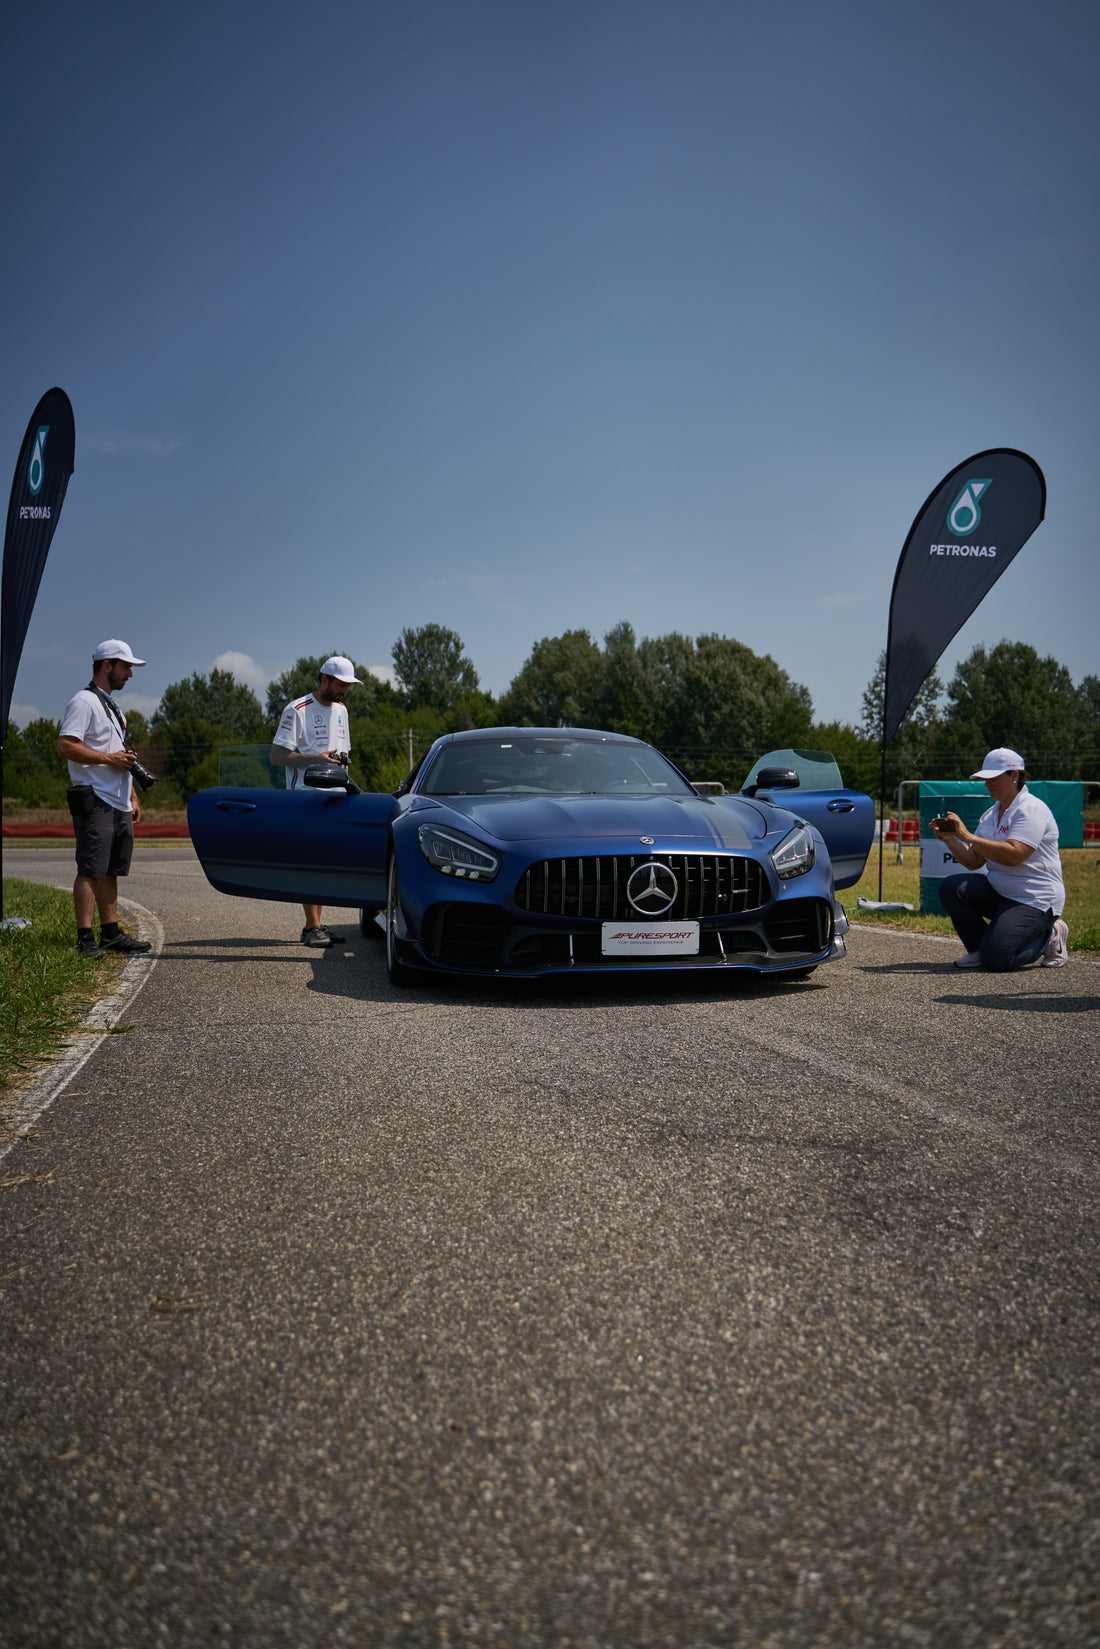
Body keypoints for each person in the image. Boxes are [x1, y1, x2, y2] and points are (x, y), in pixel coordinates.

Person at [56, 640, 154, 960]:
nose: (130, 674)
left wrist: (133, 795)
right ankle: (85, 939)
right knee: (90, 869)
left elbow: (121, 756)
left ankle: (110, 934)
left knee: (111, 869)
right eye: (126, 667)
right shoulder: (83, 701)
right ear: (107, 664)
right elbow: (66, 746)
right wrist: (107, 760)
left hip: (118, 800)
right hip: (94, 797)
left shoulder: (113, 706)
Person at [931, 747, 1068, 972]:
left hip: (1034, 900)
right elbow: (975, 861)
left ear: (1014, 775)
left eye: (993, 778)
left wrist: (967, 836)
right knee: (952, 887)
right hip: (1001, 892)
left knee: (998, 959)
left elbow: (1015, 855)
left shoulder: (1031, 810)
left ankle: (1051, 934)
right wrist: (950, 839)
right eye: (985, 778)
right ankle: (977, 951)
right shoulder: (990, 815)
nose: (987, 783)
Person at [270, 655, 363, 948]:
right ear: (324, 679)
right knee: (309, 863)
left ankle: (318, 925)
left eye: (348, 685)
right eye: (340, 684)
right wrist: (315, 758)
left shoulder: (342, 710)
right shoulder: (296, 710)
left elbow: (343, 756)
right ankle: (312, 927)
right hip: (305, 799)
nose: (344, 690)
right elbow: (276, 756)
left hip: (335, 800)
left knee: (325, 865)